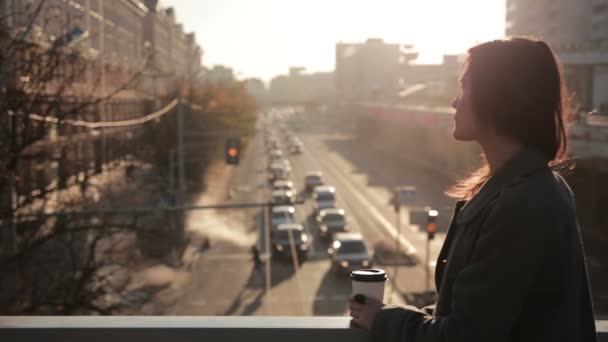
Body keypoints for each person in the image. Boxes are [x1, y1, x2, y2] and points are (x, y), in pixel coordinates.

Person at [349, 37, 598, 342]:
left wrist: (384, 320)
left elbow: (465, 335)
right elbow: (481, 314)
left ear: (498, 98)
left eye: (465, 87)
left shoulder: (522, 204)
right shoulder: (531, 189)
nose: (455, 101)